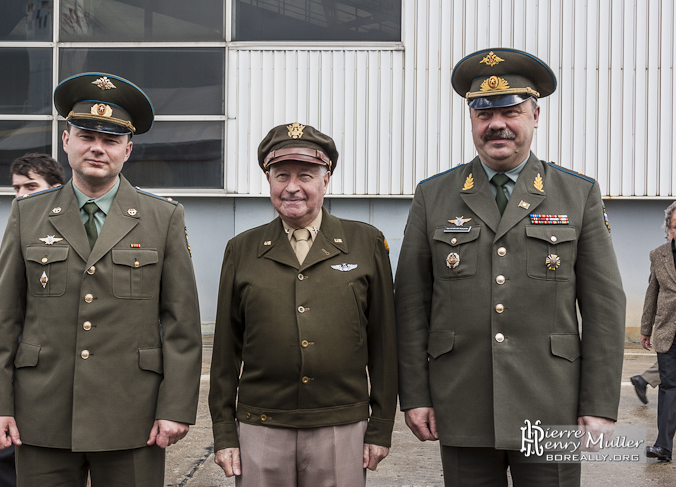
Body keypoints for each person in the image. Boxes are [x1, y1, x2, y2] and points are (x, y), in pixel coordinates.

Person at [394, 48, 626, 486]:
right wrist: (416, 396)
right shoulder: (434, 196)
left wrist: (598, 404)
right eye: (484, 114)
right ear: (472, 121)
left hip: (551, 401)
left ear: (535, 116)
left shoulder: (577, 194)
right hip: (462, 401)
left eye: (511, 111)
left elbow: (604, 307)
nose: (496, 124)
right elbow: (410, 305)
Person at [0, 73, 203, 487]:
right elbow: (3, 317)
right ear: (66, 141)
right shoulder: (28, 214)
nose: (97, 148)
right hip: (42, 413)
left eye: (111, 140)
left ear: (128, 150)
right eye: (86, 135)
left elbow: (181, 325)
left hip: (132, 416)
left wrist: (176, 408)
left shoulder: (163, 217)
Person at [209, 122, 397, 486]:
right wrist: (224, 432)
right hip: (260, 425)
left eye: (306, 175)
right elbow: (224, 350)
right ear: (268, 179)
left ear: (326, 179)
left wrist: (380, 427)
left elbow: (385, 342)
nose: (292, 187)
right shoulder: (242, 248)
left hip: (341, 425)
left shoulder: (366, 242)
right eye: (281, 175)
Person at [0, 153, 67, 487]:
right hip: (17, 366)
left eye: (31, 186)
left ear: (56, 189)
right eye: (16, 187)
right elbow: (5, 305)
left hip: (50, 375)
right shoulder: (21, 228)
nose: (20, 195)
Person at [640, 201, 676, 462]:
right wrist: (645, 329)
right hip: (668, 332)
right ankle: (663, 446)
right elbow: (651, 294)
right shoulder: (658, 255)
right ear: (668, 228)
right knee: (669, 386)